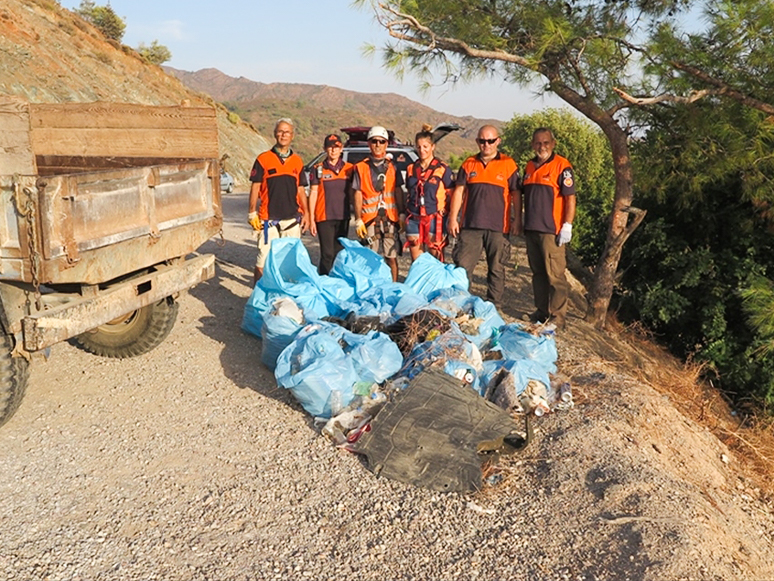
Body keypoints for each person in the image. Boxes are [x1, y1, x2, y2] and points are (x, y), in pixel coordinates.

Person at [448, 125, 521, 305]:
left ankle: (493, 305)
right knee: (463, 267)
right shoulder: (468, 164)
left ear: (498, 141)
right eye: (482, 141)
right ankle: (461, 302)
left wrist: (518, 219)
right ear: (477, 142)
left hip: (498, 227)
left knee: (496, 268)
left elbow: (516, 194)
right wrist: (452, 218)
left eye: (490, 141)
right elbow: (459, 192)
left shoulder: (508, 164)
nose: (486, 144)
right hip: (471, 225)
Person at [521, 127, 577, 329]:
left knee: (555, 276)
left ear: (553, 144)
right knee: (538, 273)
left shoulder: (562, 166)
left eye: (545, 143)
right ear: (532, 144)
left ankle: (557, 318)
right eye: (537, 143)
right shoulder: (529, 166)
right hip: (532, 229)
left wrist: (567, 225)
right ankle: (542, 311)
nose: (541, 147)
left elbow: (570, 197)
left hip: (551, 231)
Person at [247, 118, 310, 283]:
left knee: (289, 263)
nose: (283, 135)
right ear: (275, 134)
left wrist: (307, 214)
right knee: (263, 261)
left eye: (287, 132)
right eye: (280, 131)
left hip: (291, 219)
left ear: (292, 136)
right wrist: (252, 212)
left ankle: (285, 298)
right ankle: (258, 298)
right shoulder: (263, 159)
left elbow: (301, 189)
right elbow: (255, 187)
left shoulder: (297, 161)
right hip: (269, 220)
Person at [352, 125, 405, 282]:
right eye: (374, 141)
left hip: (390, 218)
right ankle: (371, 288)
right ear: (369, 143)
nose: (378, 145)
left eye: (381, 141)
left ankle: (393, 286)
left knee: (391, 257)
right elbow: (358, 193)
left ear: (386, 144)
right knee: (370, 258)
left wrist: (401, 213)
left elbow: (397, 191)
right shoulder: (360, 167)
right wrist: (358, 219)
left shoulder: (393, 167)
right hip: (369, 219)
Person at [405, 124, 455, 261]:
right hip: (414, 218)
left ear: (433, 147)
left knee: (435, 261)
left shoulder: (442, 169)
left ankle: (437, 283)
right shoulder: (410, 168)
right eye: (419, 147)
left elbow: (451, 194)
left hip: (434, 219)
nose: (422, 150)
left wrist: (450, 215)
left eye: (425, 147)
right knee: (417, 262)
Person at [308, 133, 354, 275]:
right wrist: (311, 219)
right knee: (327, 254)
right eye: (330, 147)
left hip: (343, 217)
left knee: (339, 254)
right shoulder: (318, 169)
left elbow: (355, 193)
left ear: (341, 149)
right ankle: (324, 282)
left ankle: (337, 284)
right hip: (324, 217)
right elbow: (313, 193)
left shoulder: (350, 168)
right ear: (325, 149)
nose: (333, 150)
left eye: (336, 147)